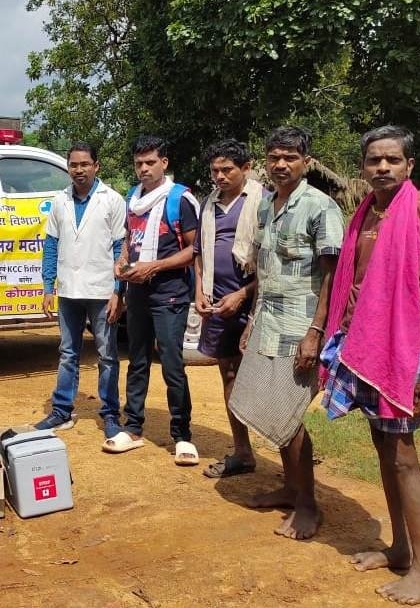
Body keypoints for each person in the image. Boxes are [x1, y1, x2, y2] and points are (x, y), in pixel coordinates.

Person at [319, 126, 420, 604]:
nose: (382, 168)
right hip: (362, 346)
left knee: (403, 456)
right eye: (374, 160)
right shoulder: (364, 213)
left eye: (392, 160)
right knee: (382, 446)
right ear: (363, 166)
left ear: (409, 166)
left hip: (401, 352)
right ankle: (399, 548)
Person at [229, 125, 344, 541]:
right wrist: (254, 321)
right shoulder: (265, 206)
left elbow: (334, 276)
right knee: (273, 411)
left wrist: (316, 332)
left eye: (290, 157)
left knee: (290, 415)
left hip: (301, 328)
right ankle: (291, 489)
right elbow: (265, 270)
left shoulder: (321, 207)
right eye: (274, 156)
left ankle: (309, 507)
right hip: (268, 323)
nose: (281, 164)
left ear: (306, 162)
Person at [114, 135, 201, 464]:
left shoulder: (181, 199)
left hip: (170, 294)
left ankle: (182, 435)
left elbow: (195, 249)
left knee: (172, 363)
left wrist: (155, 266)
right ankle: (133, 427)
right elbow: (128, 238)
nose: (144, 169)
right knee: (136, 361)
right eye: (139, 163)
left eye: (150, 162)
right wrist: (121, 263)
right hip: (137, 292)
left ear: (164, 163)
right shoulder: (132, 198)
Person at [34, 142, 126, 450]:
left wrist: (117, 291)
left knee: (107, 355)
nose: (79, 169)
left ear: (97, 166)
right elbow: (50, 245)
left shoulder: (112, 200)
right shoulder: (58, 201)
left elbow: (120, 249)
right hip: (69, 291)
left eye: (85, 164)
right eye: (73, 164)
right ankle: (62, 411)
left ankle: (110, 414)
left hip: (102, 291)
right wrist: (48, 286)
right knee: (68, 353)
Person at [194, 140, 264, 478]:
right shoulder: (208, 204)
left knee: (268, 377)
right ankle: (243, 451)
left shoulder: (263, 202)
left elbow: (271, 262)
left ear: (246, 168)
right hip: (217, 303)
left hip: (258, 304)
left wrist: (244, 293)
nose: (220, 177)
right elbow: (199, 253)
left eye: (227, 170)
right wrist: (199, 292)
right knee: (230, 374)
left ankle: (288, 452)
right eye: (215, 171)